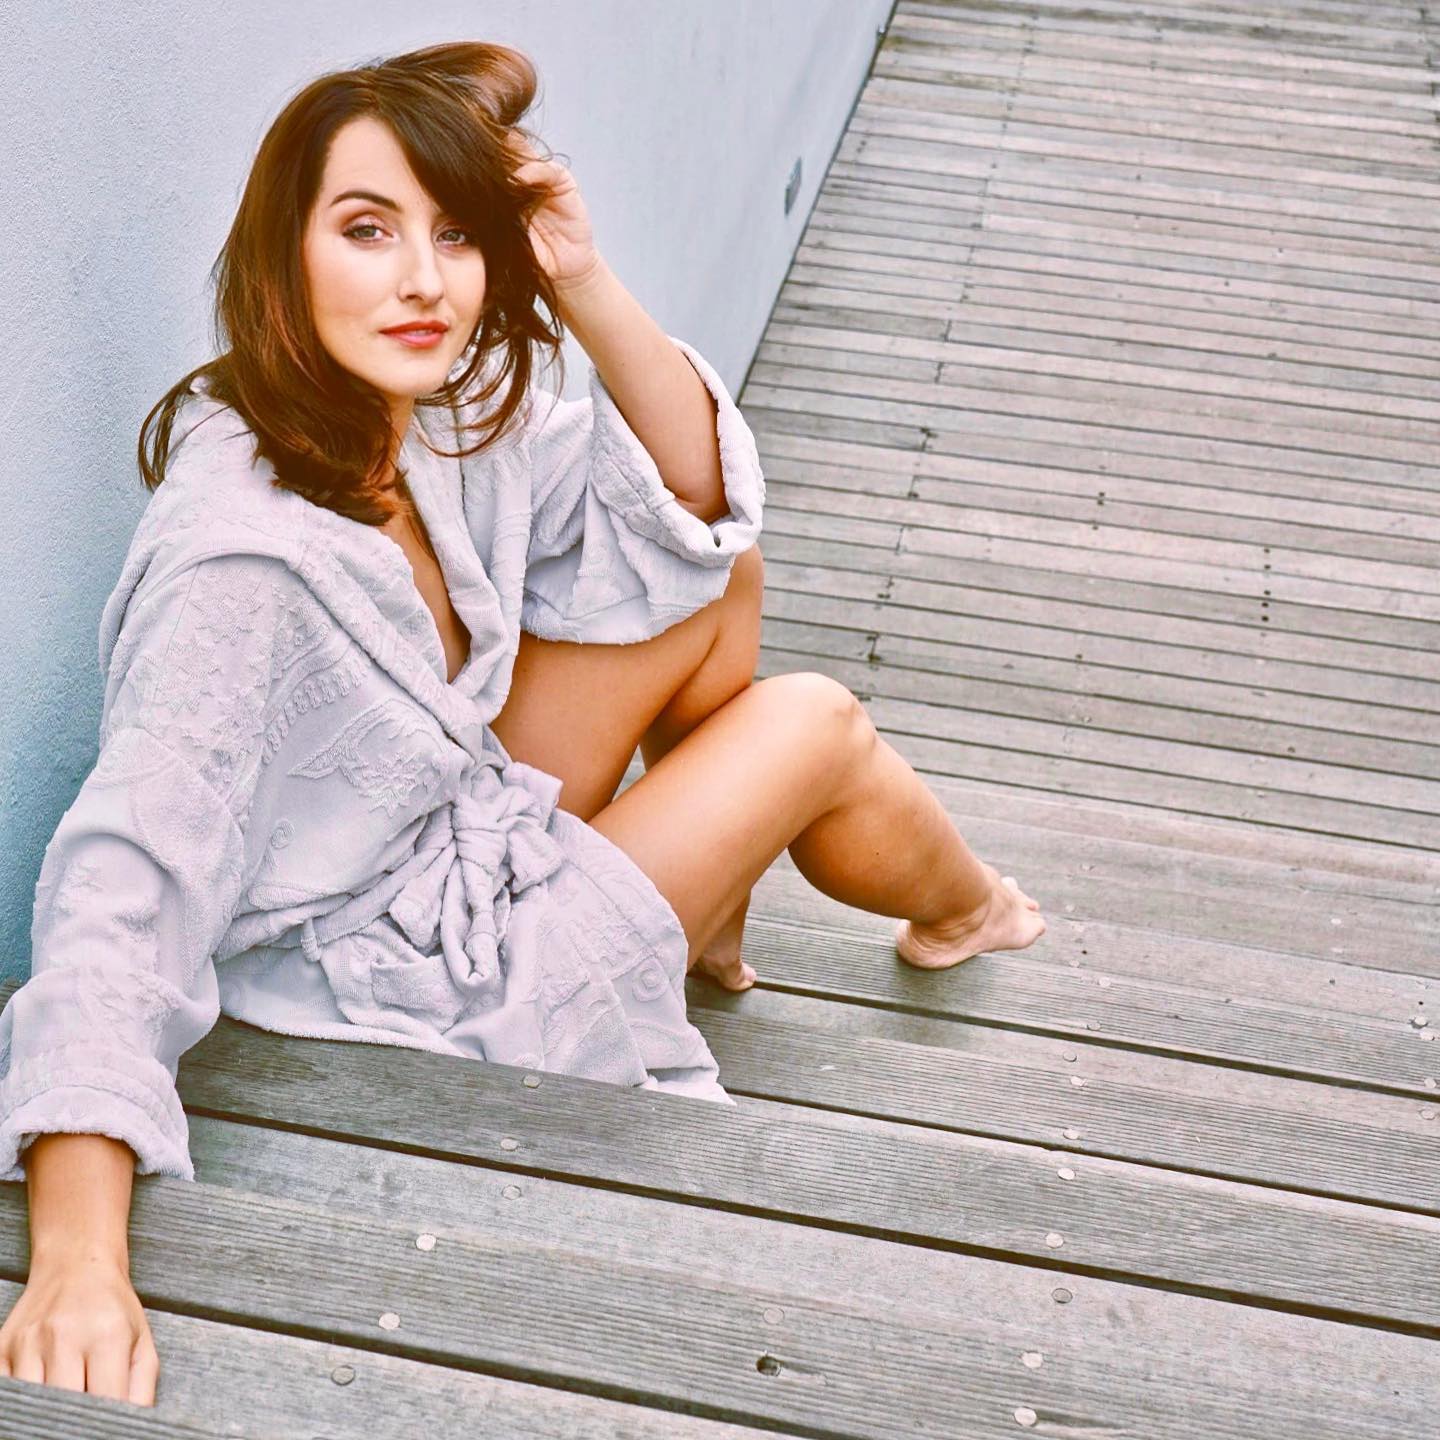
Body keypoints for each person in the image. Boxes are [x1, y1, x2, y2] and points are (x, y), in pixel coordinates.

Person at [0, 40, 1045, 1409]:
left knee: (716, 566)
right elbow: (118, 894)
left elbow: (683, 495)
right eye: (367, 230)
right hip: (409, 979)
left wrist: (582, 278)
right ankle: (968, 912)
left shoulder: (418, 425)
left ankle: (704, 912)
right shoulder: (238, 569)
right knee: (817, 722)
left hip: (453, 837)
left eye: (455, 235)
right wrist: (77, 1260)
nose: (423, 281)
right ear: (280, 254)